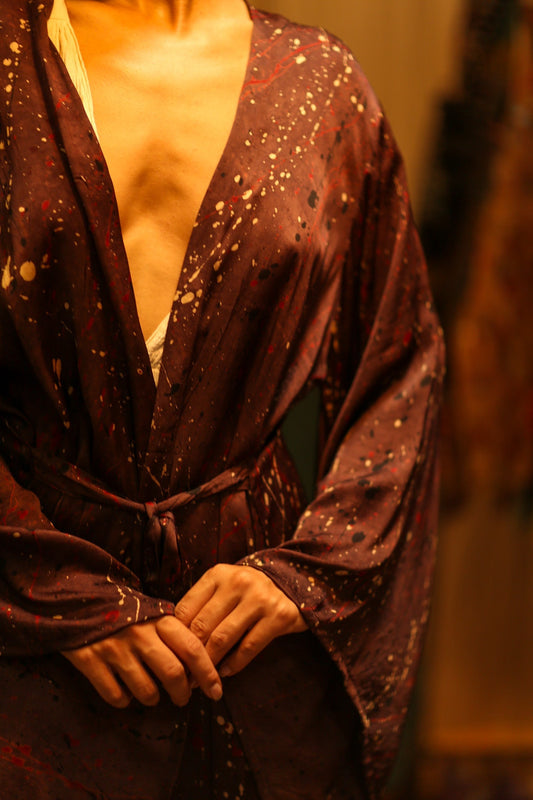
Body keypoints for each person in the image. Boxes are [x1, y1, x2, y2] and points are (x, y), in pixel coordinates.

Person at [0, 1, 444, 798]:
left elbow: (400, 366)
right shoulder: (9, 64)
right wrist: (46, 587)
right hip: (26, 644)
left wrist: (304, 575)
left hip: (249, 656)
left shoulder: (319, 86)